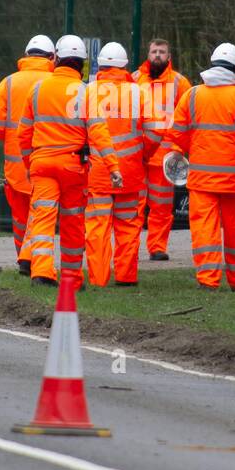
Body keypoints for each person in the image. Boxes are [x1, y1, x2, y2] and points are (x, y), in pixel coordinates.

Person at [17, 34, 122, 287]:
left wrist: (29, 163)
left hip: (42, 162)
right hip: (73, 167)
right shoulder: (84, 92)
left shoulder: (38, 89)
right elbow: (98, 131)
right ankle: (73, 278)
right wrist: (113, 167)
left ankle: (41, 272)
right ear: (82, 64)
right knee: (73, 222)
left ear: (57, 59)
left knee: (43, 217)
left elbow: (23, 134)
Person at [164, 43, 235, 291]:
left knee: (205, 230)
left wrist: (195, 149)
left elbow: (177, 134)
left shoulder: (193, 95)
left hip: (201, 179)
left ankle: (208, 279)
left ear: (211, 64)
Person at [83, 42, 154, 287]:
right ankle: (126, 276)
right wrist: (144, 155)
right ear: (125, 66)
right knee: (127, 225)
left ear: (100, 65)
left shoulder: (89, 91)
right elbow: (156, 132)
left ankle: (99, 278)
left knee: (98, 226)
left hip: (99, 172)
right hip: (131, 171)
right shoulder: (140, 93)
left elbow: (83, 130)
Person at [0, 34, 55, 274]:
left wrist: (12, 141)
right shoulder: (54, 82)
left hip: (16, 169)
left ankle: (23, 259)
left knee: (19, 219)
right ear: (52, 57)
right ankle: (37, 261)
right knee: (42, 217)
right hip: (46, 163)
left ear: (26, 56)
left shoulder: (8, 83)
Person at [132, 38, 190, 260]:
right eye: (154, 51)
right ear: (148, 54)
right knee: (134, 206)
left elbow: (186, 119)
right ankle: (130, 246)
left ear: (169, 56)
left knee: (162, 207)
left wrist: (178, 148)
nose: (157, 55)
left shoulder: (179, 83)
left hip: (165, 156)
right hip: (138, 153)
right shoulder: (135, 79)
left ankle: (157, 248)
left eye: (161, 52)